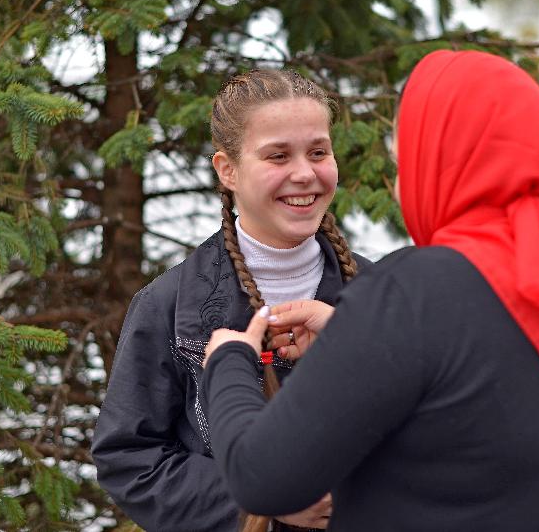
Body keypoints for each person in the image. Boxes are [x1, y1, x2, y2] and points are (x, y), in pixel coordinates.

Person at [202, 50, 539, 531]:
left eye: (405, 162)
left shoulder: (416, 292)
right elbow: (497, 377)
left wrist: (230, 362)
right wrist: (354, 340)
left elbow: (264, 478)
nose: (399, 186)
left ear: (444, 161)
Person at [91, 69, 370, 532]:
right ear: (227, 170)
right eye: (278, 156)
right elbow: (128, 459)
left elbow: (437, 442)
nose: (305, 173)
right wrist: (262, 496)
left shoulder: (379, 295)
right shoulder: (168, 308)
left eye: (318, 152)